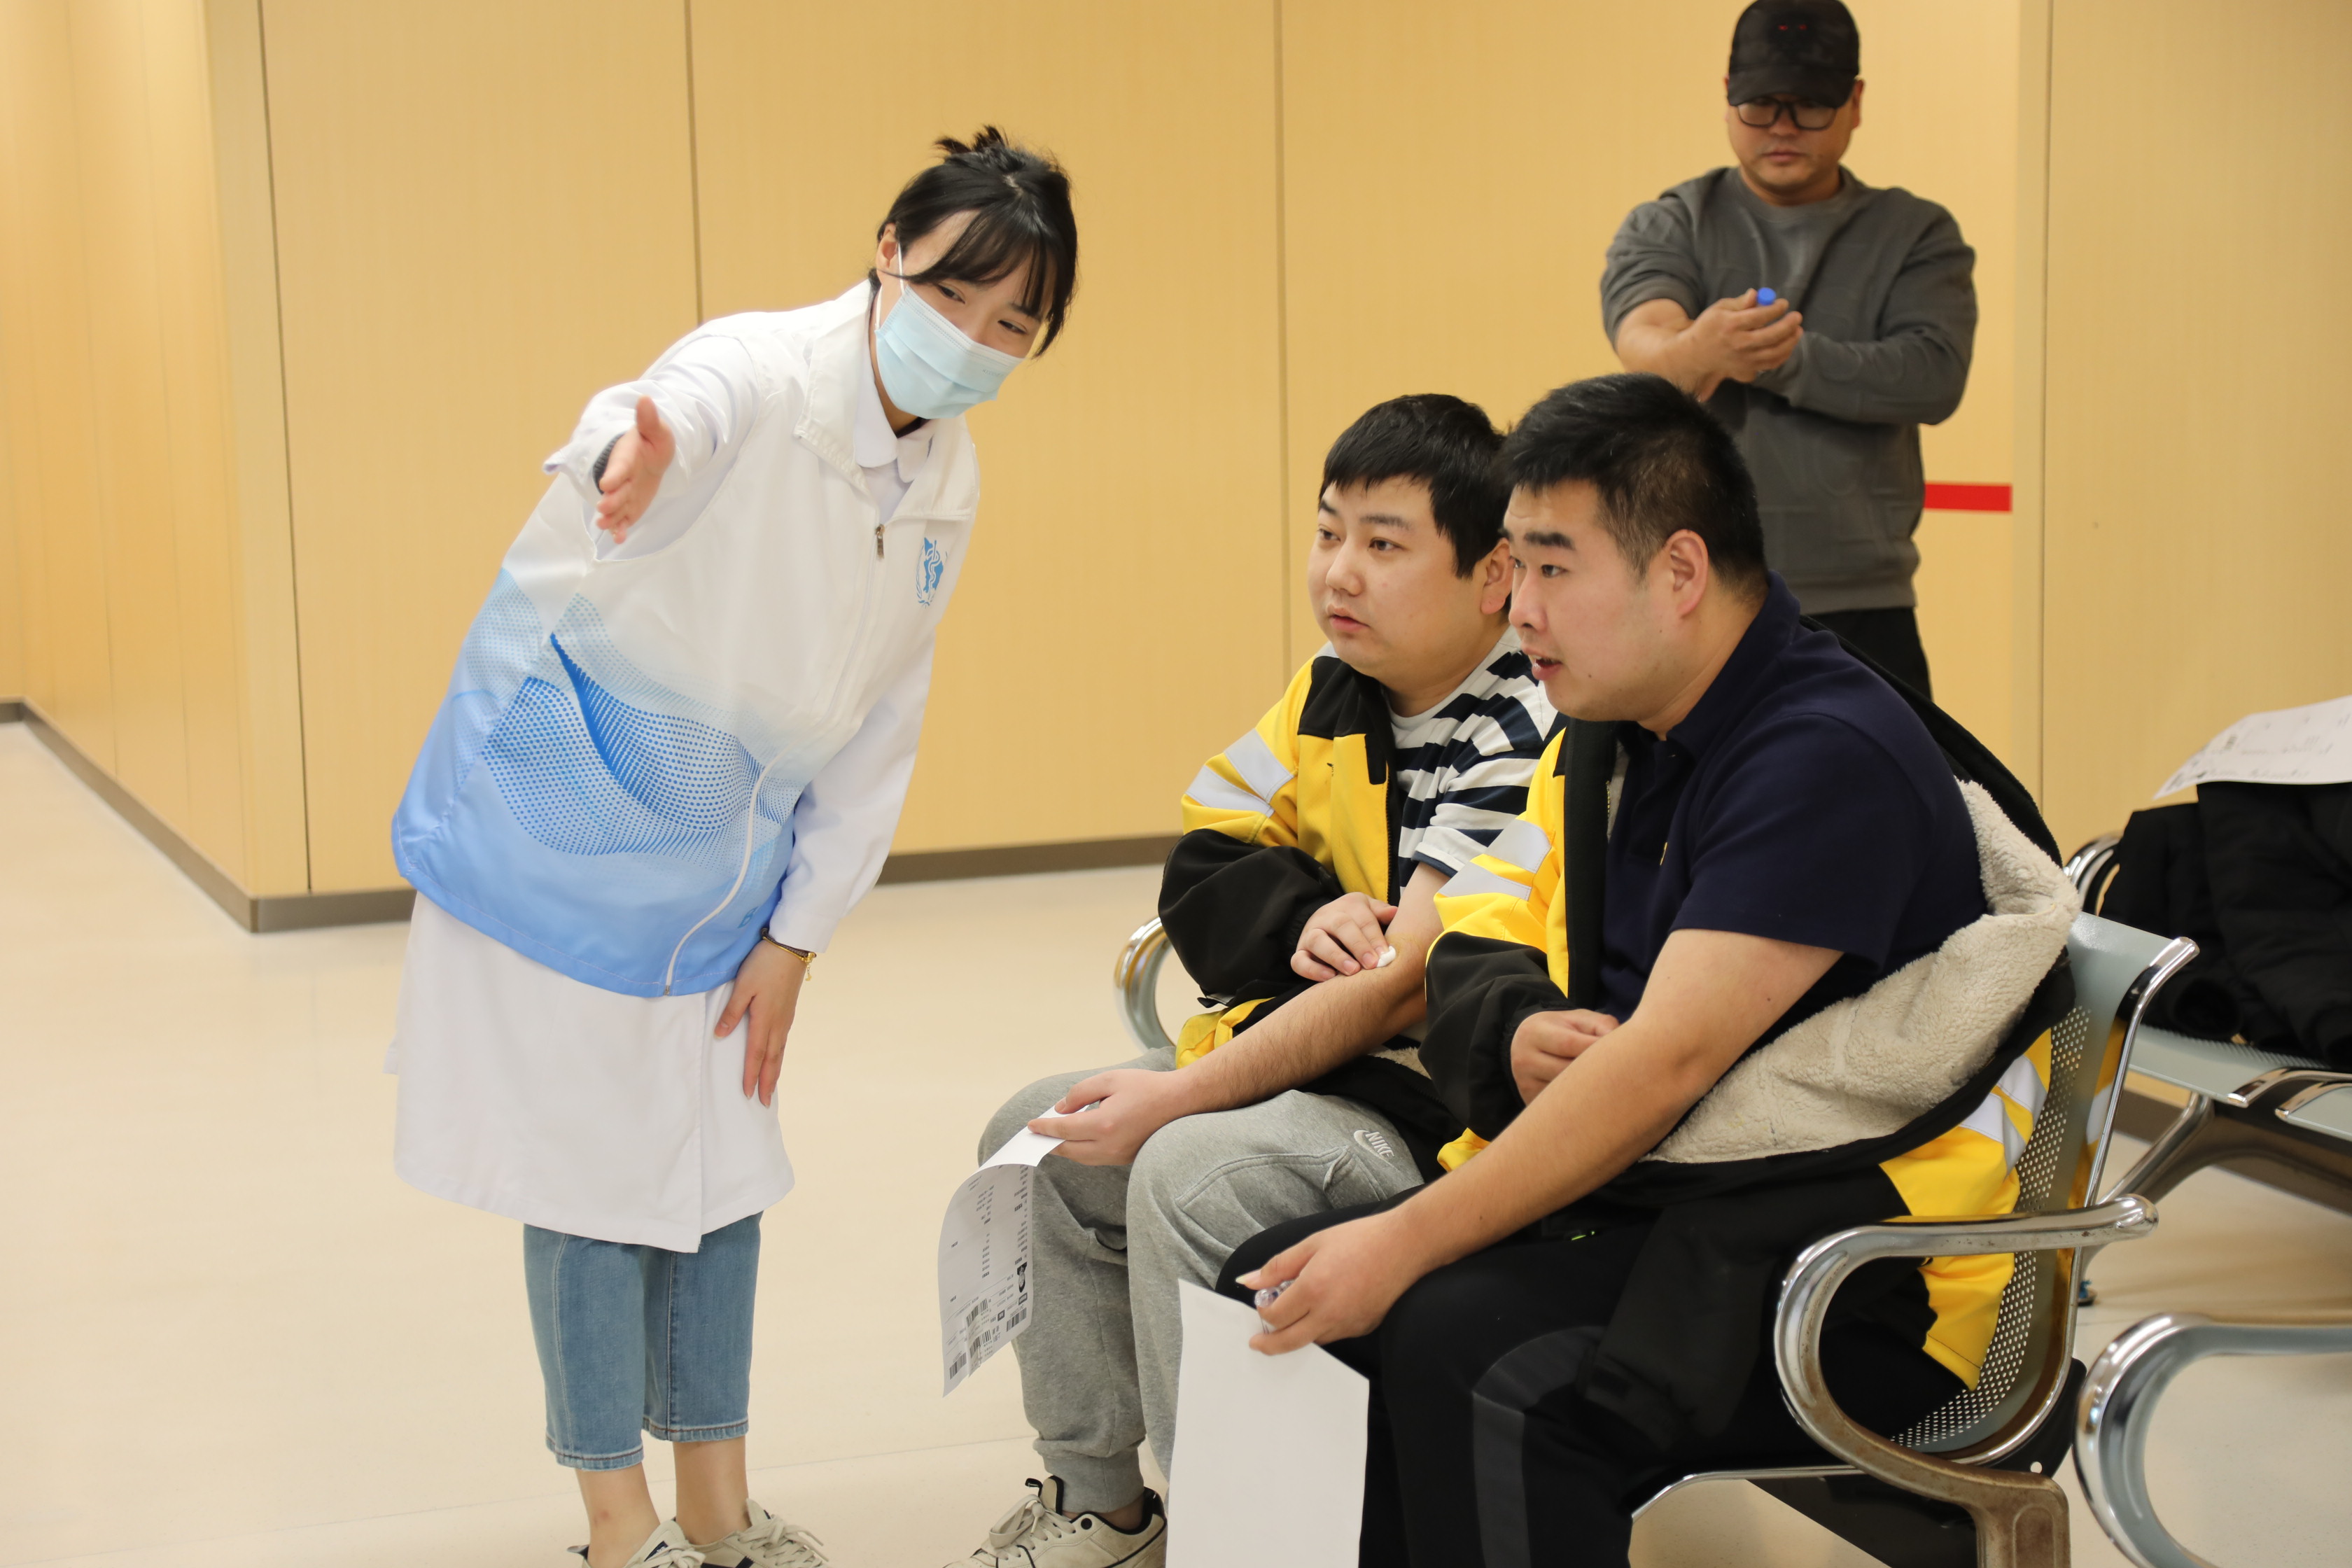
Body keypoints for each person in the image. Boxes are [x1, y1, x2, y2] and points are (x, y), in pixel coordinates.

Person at [1221, 374, 2080, 1568]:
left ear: (1679, 571)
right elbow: (1481, 934)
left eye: (1551, 567)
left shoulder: (1819, 755)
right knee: (1268, 1288)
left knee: (1480, 1357)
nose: (1518, 608)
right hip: (1694, 1204)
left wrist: (1408, 1238)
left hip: (1862, 1275)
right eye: (1513, 565)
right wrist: (1513, 1025)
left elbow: (1661, 1065)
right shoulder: (1624, 727)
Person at [385, 130, 1078, 1568]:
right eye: (953, 293)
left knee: (721, 1179)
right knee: (591, 1183)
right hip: (568, 832)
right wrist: (630, 452)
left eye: (1015, 323)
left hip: (722, 879)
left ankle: (715, 1507)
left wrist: (799, 933)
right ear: (887, 253)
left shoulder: (946, 477)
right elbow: (668, 411)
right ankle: (616, 1523)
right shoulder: (760, 370)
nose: (974, 339)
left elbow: (882, 718)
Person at [951, 396, 1558, 1568]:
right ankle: (1101, 1509)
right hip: (1307, 1058)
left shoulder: (1527, 717)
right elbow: (1209, 853)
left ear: (1493, 576)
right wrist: (1302, 913)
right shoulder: (1330, 685)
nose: (1339, 572)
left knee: (1188, 1168)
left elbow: (1405, 987)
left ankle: (1246, 1544)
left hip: (1436, 1109)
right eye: (1328, 533)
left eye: (1384, 544)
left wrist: (1182, 1095)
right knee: (1034, 1140)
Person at [1602, 0, 1975, 696]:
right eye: (1760, 105)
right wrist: (1703, 347)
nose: (1781, 126)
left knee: (1883, 770)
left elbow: (1932, 375)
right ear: (1727, 96)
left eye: (1810, 106)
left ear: (1854, 102)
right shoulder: (1671, 223)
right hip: (1701, 594)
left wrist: (1776, 356)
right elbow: (1646, 345)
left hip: (1865, 601)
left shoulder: (1916, 233)